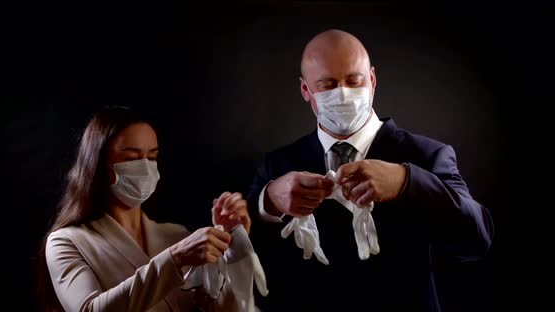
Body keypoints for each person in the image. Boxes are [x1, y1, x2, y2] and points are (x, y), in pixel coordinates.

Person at [247, 29, 493, 311]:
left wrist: (407, 181)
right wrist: (269, 201)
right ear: (306, 90)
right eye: (327, 85)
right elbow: (244, 255)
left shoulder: (426, 155)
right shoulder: (279, 163)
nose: (343, 94)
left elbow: (477, 239)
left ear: (372, 80)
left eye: (354, 80)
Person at [36, 106, 251, 311]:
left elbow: (226, 309)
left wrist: (234, 250)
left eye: (152, 157)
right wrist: (174, 259)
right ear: (98, 163)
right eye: (131, 158)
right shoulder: (66, 242)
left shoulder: (177, 235)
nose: (146, 167)